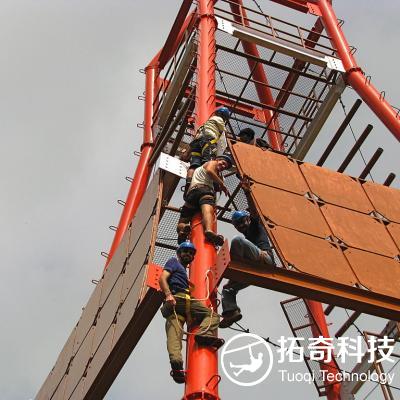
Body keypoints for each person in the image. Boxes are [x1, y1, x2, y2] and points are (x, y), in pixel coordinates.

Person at [159, 242, 222, 383]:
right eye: (185, 251)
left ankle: (177, 367)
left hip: (178, 308)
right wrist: (168, 294)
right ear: (179, 253)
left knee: (173, 338)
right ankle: (203, 333)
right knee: (213, 316)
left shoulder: (181, 269)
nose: (188, 254)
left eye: (191, 253)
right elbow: (162, 278)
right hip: (179, 299)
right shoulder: (173, 262)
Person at [219, 208, 275, 328]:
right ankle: (231, 312)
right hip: (254, 269)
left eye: (242, 221)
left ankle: (238, 269)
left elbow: (255, 212)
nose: (241, 225)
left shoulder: (255, 226)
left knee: (237, 240)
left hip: (265, 260)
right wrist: (231, 282)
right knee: (227, 289)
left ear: (248, 219)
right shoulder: (247, 236)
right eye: (237, 224)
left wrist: (247, 191)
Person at [177, 154, 233, 246]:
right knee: (207, 210)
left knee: (182, 221)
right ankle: (208, 230)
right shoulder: (212, 163)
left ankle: (183, 229)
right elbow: (210, 170)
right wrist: (222, 184)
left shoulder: (199, 170)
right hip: (204, 190)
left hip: (192, 193)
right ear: (217, 159)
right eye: (223, 163)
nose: (223, 167)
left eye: (225, 167)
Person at [184, 106, 230, 197]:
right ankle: (212, 184)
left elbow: (193, 141)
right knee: (209, 162)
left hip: (197, 143)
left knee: (194, 165)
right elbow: (225, 134)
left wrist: (186, 154)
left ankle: (188, 185)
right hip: (209, 141)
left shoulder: (204, 125)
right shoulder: (219, 119)